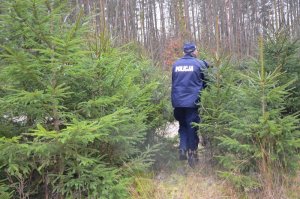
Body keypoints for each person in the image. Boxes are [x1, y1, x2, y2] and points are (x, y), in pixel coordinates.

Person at [171, 42, 208, 165]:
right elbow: (206, 81)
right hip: (192, 103)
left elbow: (174, 82)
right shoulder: (199, 64)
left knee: (183, 126)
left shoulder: (175, 64)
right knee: (192, 127)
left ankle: (182, 148)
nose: (197, 52)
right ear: (193, 51)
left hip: (178, 103)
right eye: (197, 50)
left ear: (184, 52)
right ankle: (192, 154)